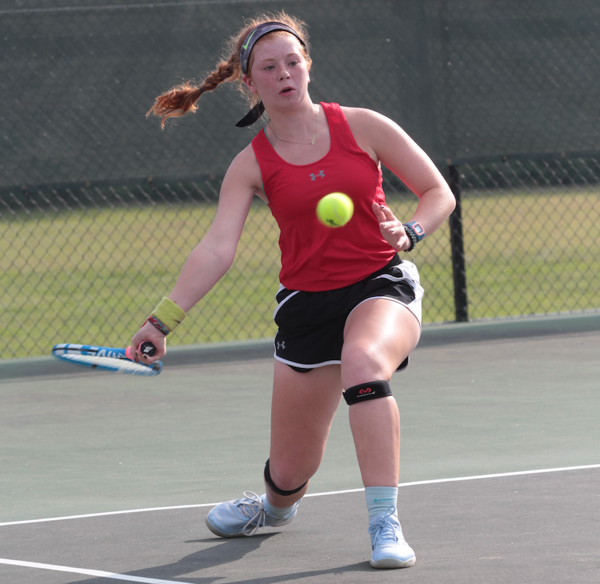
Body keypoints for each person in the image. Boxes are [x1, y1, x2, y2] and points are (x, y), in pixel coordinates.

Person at [132, 12, 455, 570]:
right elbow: (216, 249)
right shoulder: (250, 164)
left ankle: (385, 524)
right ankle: (275, 509)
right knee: (289, 471)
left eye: (292, 61)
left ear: (307, 66)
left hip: (380, 283)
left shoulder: (363, 126)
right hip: (307, 305)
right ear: (249, 84)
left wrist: (411, 230)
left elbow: (436, 191)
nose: (284, 74)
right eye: (268, 67)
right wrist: (160, 322)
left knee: (363, 363)